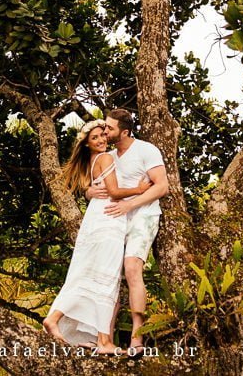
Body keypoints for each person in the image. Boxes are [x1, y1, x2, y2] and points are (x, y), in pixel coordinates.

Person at [42, 120, 153, 353]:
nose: (102, 139)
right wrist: (140, 190)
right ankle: (68, 325)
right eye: (95, 138)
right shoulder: (105, 158)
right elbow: (113, 193)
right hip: (108, 220)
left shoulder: (94, 160)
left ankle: (101, 340)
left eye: (103, 135)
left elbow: (98, 189)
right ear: (87, 144)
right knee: (106, 277)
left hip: (97, 219)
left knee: (93, 276)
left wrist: (90, 192)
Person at [88, 108, 169, 354]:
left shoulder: (146, 150)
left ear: (124, 131)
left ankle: (137, 338)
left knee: (132, 268)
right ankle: (105, 339)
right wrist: (88, 192)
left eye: (109, 128)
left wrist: (130, 204)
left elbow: (162, 186)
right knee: (108, 275)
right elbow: (91, 184)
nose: (104, 131)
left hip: (142, 215)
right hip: (114, 219)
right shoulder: (107, 155)